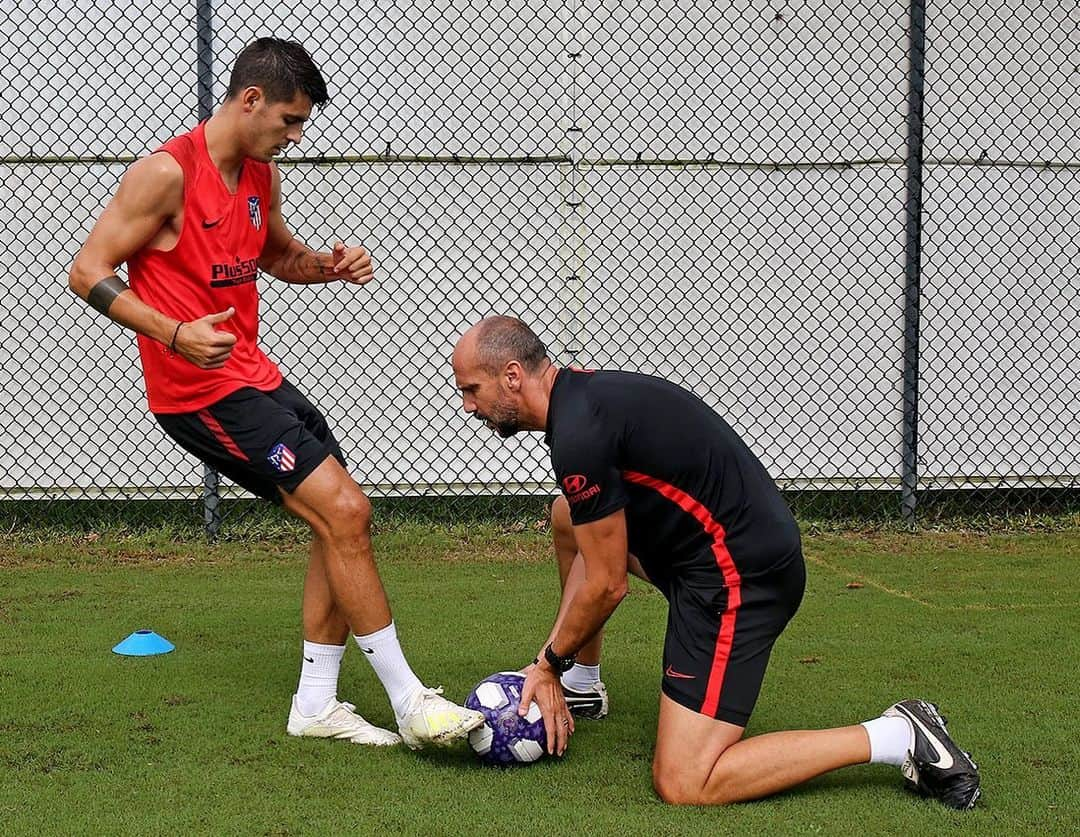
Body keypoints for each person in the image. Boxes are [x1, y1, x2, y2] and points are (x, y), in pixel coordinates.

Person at [68, 37, 483, 749]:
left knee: (343, 515)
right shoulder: (164, 174)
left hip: (254, 376)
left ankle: (316, 703)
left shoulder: (259, 175)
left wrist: (326, 265)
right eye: (289, 121)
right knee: (346, 509)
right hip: (197, 392)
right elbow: (86, 271)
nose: (296, 136)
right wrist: (173, 333)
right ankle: (411, 701)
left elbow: (277, 256)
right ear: (250, 99)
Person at [451, 315, 980, 808]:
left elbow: (608, 584)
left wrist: (546, 665)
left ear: (513, 376)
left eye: (472, 390)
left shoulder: (579, 436)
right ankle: (583, 688)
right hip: (705, 551)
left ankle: (900, 735)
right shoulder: (584, 396)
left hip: (739, 579)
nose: (470, 407)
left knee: (685, 780)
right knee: (569, 517)